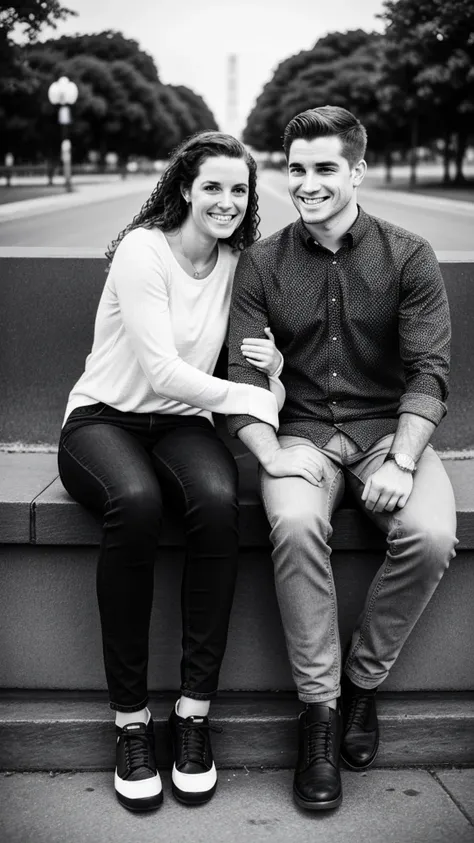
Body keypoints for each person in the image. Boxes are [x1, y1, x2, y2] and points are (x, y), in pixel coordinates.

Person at [227, 106, 457, 811]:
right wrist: (269, 455)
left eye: (325, 168)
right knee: (295, 523)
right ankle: (319, 714)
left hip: (389, 431)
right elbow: (240, 376)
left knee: (430, 535)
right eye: (296, 168)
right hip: (300, 432)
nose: (308, 182)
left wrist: (403, 458)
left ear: (357, 170)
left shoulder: (408, 254)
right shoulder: (262, 261)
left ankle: (361, 683)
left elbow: (430, 371)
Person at [58, 131, 285, 812]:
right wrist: (255, 399)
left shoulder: (241, 262)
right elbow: (160, 370)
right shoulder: (142, 250)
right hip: (102, 418)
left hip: (181, 425)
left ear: (249, 198)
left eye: (238, 189)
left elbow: (255, 367)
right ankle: (130, 721)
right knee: (136, 501)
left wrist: (270, 376)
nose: (225, 200)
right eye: (212, 186)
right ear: (186, 187)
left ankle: (191, 714)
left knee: (218, 500)